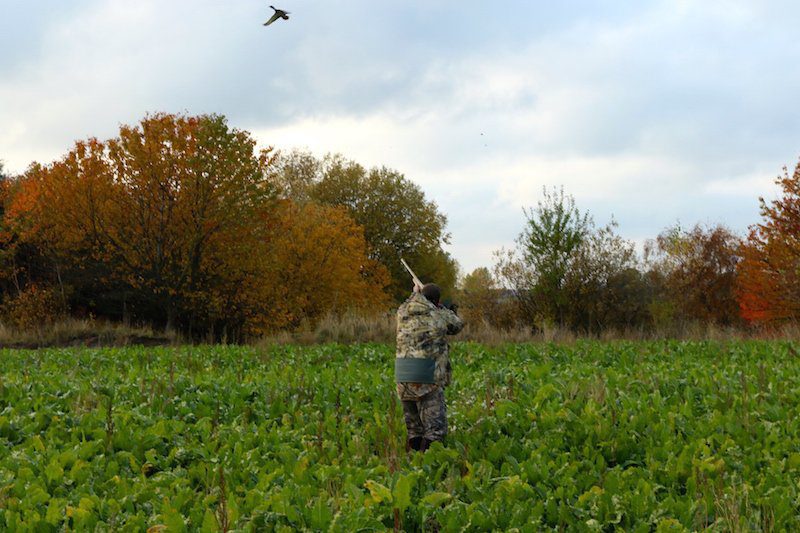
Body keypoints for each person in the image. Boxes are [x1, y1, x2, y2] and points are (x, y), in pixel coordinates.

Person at [395, 282, 463, 452]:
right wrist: (445, 308)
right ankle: (430, 468)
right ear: (436, 301)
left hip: (403, 372)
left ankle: (415, 462)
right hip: (427, 372)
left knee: (414, 429)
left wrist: (415, 293)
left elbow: (410, 302)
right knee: (435, 430)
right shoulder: (438, 314)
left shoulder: (402, 311)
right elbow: (456, 325)